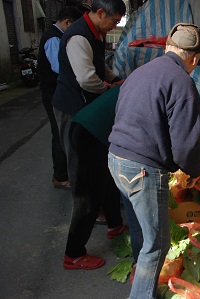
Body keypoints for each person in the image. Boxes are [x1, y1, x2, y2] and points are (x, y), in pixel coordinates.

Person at [108, 23, 200, 298]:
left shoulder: (141, 73)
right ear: (195, 58)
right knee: (157, 244)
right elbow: (185, 146)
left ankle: (140, 279)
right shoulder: (182, 82)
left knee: (141, 232)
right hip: (142, 169)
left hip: (116, 159)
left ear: (168, 48)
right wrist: (196, 171)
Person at [52, 0, 126, 270]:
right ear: (100, 13)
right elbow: (86, 79)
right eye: (114, 21)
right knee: (87, 189)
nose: (115, 26)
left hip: (91, 118)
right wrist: (110, 87)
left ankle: (115, 225)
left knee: (105, 174)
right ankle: (74, 253)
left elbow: (99, 68)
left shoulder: (96, 35)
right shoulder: (79, 36)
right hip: (77, 113)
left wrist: (115, 78)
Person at [37, 6, 83, 190]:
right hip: (53, 92)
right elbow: (60, 67)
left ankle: (61, 173)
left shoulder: (55, 36)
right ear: (68, 22)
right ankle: (60, 176)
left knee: (61, 133)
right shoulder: (54, 38)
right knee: (59, 134)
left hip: (54, 91)